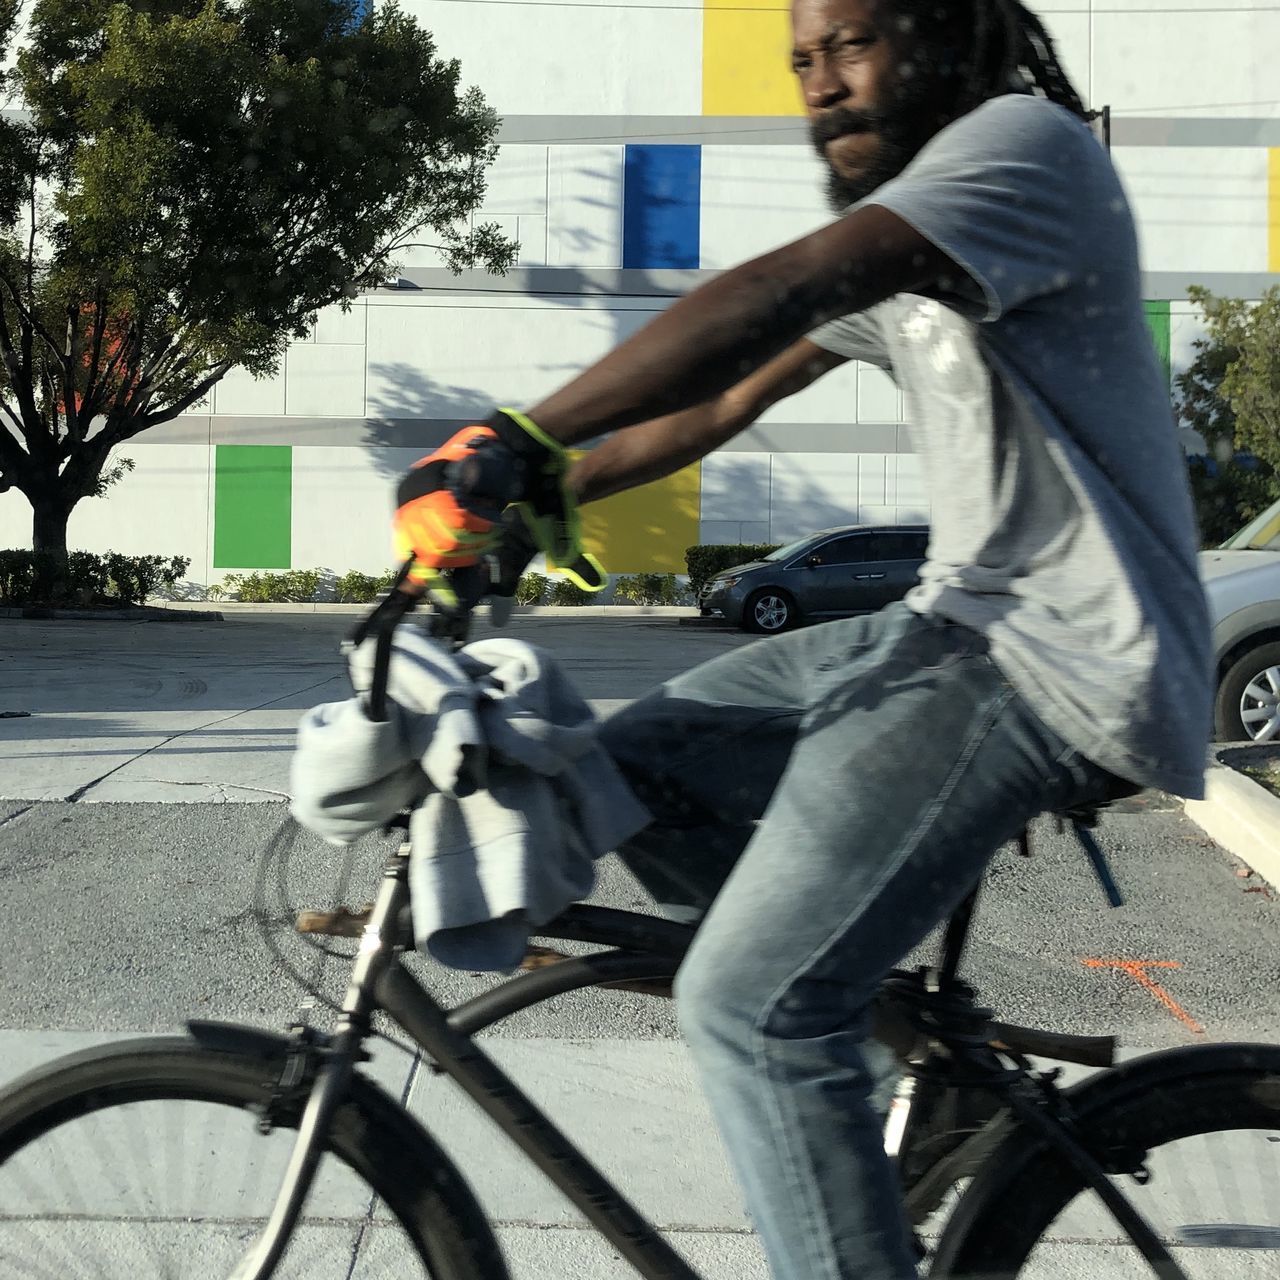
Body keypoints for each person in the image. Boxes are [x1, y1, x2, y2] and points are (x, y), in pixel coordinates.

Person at [391, 0, 1213, 1275]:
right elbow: (723, 393)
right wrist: (527, 500)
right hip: (953, 622)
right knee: (630, 772)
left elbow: (780, 285)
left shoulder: (1020, 151)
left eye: (854, 44)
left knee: (751, 1006)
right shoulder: (916, 234)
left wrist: (518, 431)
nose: (822, 85)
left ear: (949, 36)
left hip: (1056, 655)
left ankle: (816, 1014)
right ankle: (892, 1033)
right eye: (801, 60)